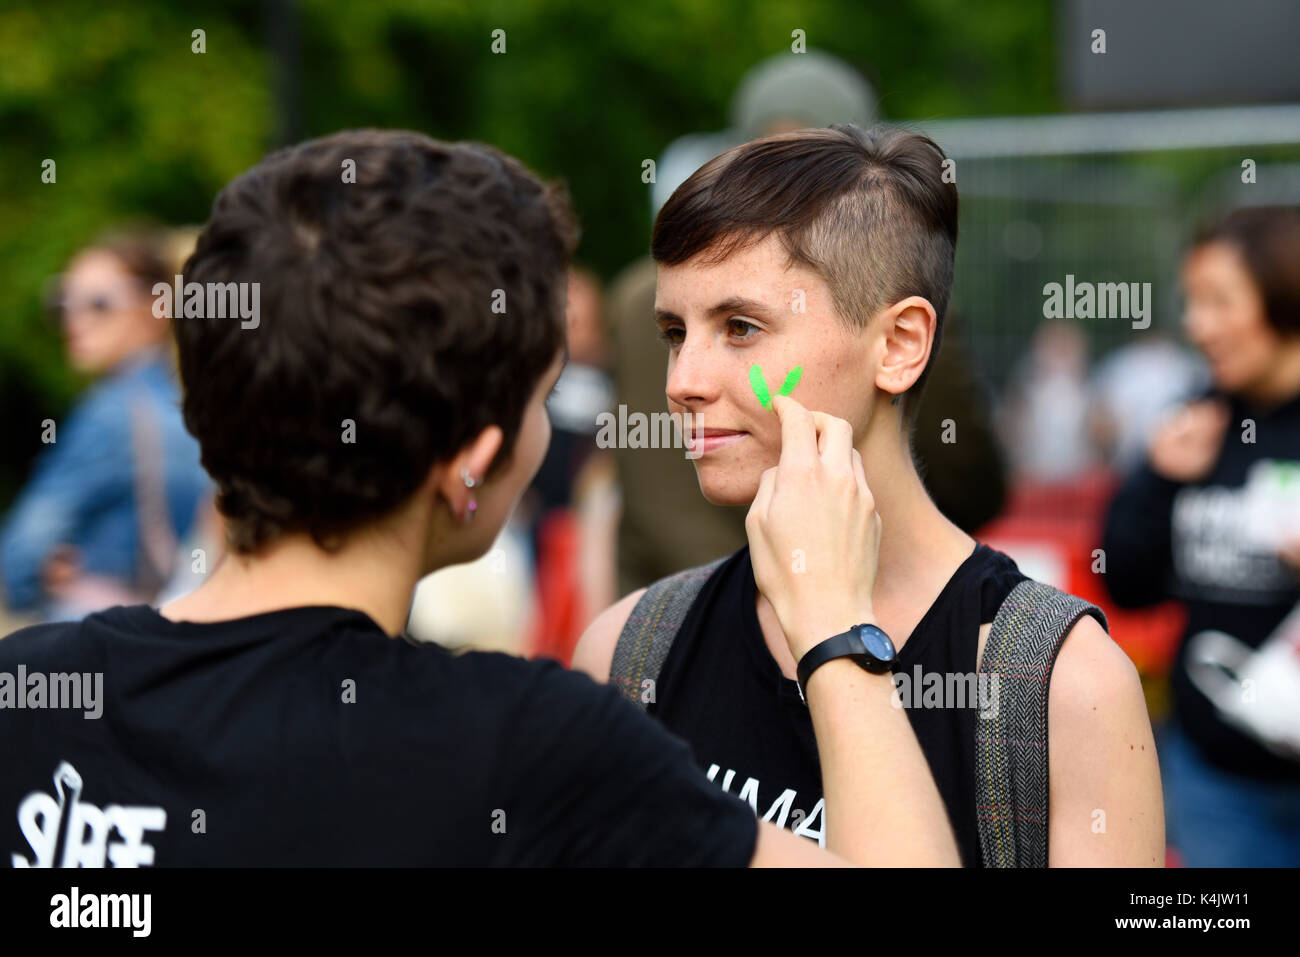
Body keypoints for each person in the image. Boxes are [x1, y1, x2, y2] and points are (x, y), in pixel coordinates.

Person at [2, 129, 959, 867]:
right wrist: (836, 626)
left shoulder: (31, 693)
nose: (682, 382)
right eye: (543, 395)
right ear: (475, 461)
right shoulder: (527, 746)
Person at [574, 125, 1164, 867]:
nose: (683, 380)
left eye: (740, 326)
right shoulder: (631, 652)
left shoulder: (1059, 686)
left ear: (898, 344)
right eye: (673, 330)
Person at [1102, 205, 1300, 867]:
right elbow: (1125, 582)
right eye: (1192, 303)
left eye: (1219, 301)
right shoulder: (1197, 420)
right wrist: (1157, 478)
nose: (1197, 325)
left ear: (1284, 294)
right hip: (1218, 778)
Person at [0, 229, 210, 621]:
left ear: (155, 309)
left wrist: (34, 575)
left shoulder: (109, 413)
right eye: (62, 302)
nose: (73, 320)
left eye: (98, 303)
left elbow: (21, 555)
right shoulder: (197, 410)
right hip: (171, 638)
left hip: (93, 641)